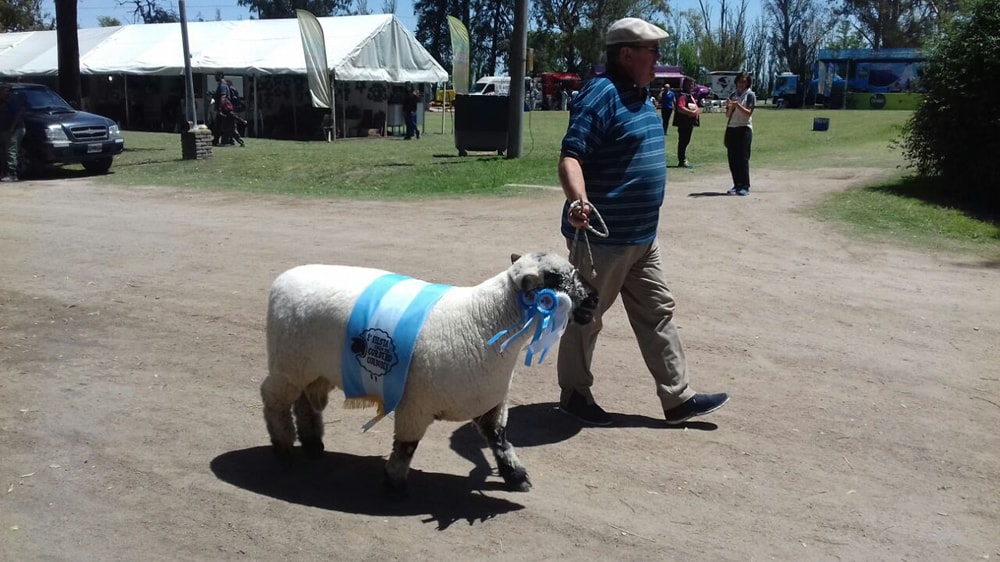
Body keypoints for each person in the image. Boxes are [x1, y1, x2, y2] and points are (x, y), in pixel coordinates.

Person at [555, 17, 729, 427]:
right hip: (603, 239)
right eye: (653, 52)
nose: (659, 60)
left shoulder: (638, 94)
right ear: (627, 54)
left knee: (657, 311)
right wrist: (579, 201)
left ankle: (677, 398)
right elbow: (570, 156)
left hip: (641, 238)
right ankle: (575, 395)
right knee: (586, 317)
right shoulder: (601, 95)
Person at [725, 72, 756, 196]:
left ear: (747, 83)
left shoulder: (750, 95)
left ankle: (745, 185)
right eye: (739, 81)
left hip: (744, 128)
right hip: (732, 127)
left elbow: (748, 113)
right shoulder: (733, 95)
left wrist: (737, 105)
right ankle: (736, 184)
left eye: (743, 82)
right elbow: (727, 115)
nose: (741, 84)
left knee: (743, 158)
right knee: (732, 158)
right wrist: (730, 107)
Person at [672, 77, 700, 168]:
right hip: (684, 123)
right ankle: (682, 160)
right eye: (690, 84)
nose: (692, 86)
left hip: (689, 123)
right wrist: (691, 112)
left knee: (686, 141)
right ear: (685, 84)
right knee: (683, 141)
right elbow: (680, 107)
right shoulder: (682, 95)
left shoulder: (689, 95)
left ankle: (683, 159)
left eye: (693, 84)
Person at [0, 84, 25, 182]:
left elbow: (18, 115)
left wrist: (12, 129)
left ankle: (12, 174)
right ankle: (4, 172)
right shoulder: (2, 101)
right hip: (3, 130)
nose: (4, 93)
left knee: (11, 151)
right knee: (2, 152)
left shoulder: (13, 100)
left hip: (15, 130)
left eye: (6, 91)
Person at [211, 72, 231, 146]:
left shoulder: (222, 85)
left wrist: (220, 108)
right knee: (218, 125)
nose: (214, 77)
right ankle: (216, 140)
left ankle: (227, 141)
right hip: (222, 108)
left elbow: (223, 97)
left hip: (223, 109)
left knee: (223, 125)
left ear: (220, 76)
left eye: (216, 75)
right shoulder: (220, 85)